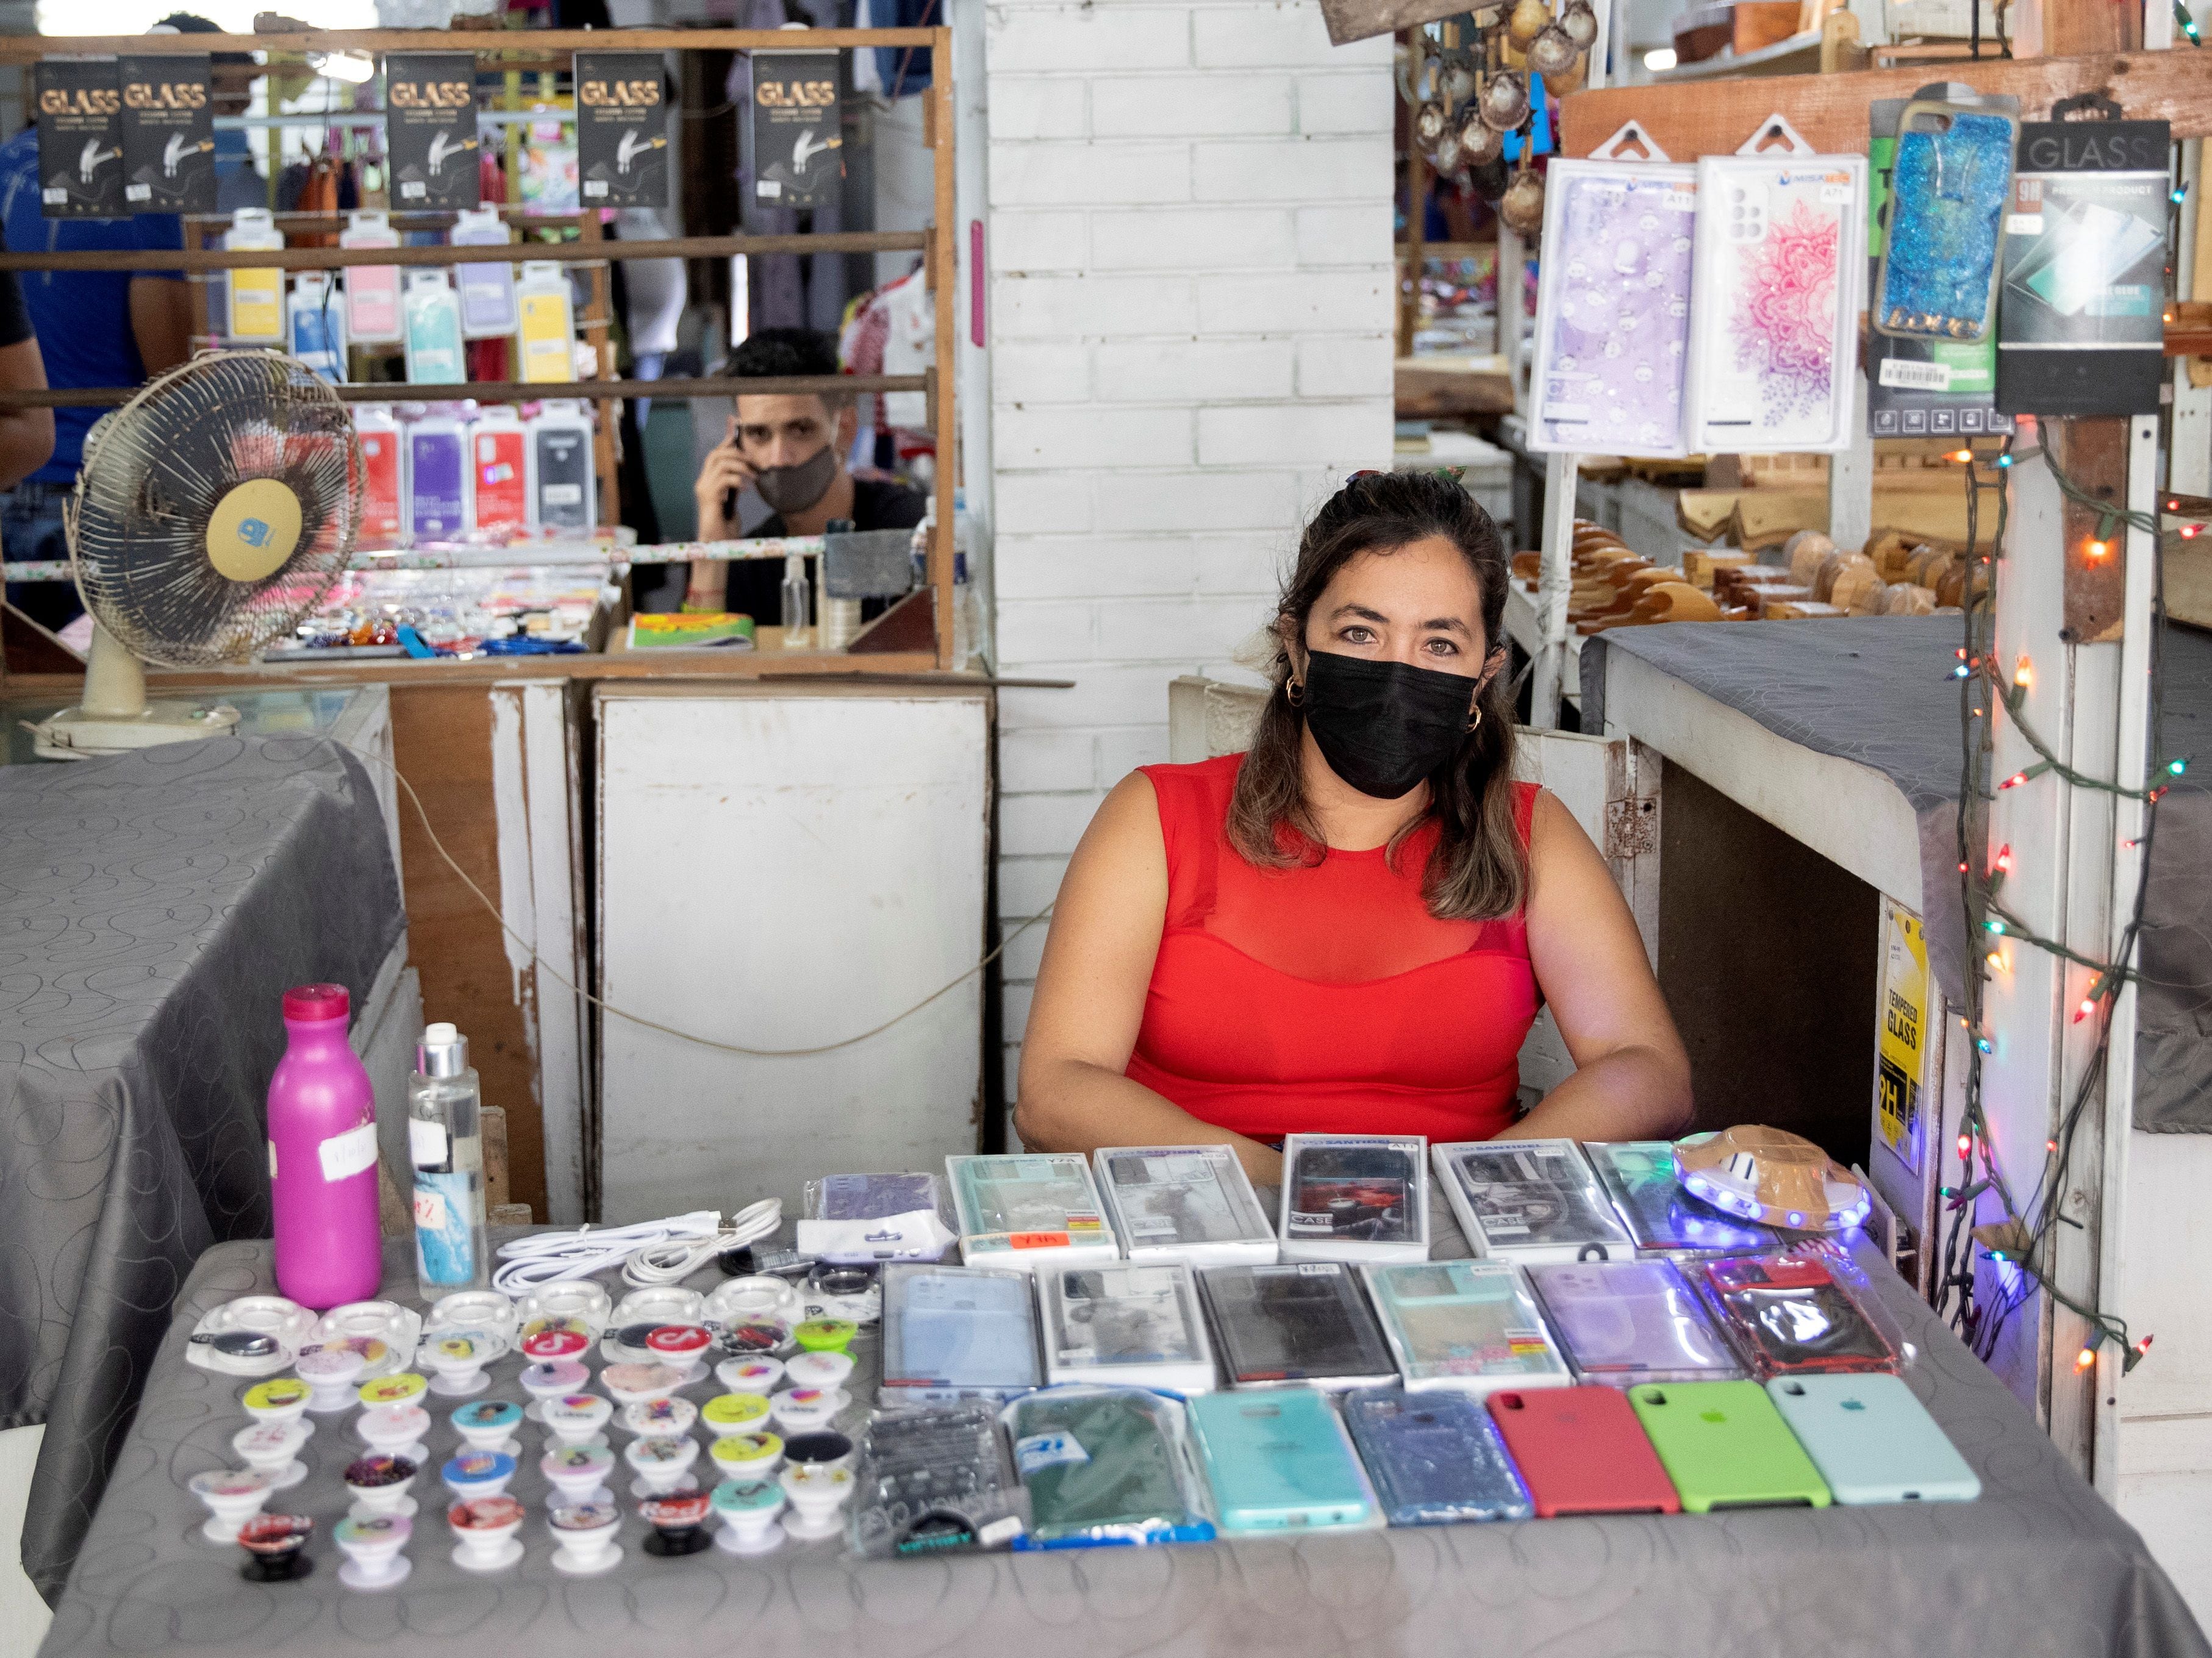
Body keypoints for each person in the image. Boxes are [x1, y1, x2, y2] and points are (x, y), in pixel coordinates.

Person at [1015, 470, 1693, 1185]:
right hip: (1203, 1221)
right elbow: (1055, 1092)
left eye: (1439, 645)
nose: (1397, 671)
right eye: (1361, 632)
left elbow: (1648, 1071)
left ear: (1484, 674)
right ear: (1299, 648)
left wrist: (1464, 1190)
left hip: (1453, 1241)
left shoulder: (1530, 834)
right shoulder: (1155, 816)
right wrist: (1299, 1188)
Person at [0, 17, 198, 629]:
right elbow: (167, 371)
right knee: (101, 697)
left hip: (7, 477)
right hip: (100, 491)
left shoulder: (4, 163)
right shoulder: (148, 192)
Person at [684, 326, 925, 623]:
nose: (779, 458)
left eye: (800, 430)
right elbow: (705, 660)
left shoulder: (910, 528)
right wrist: (712, 540)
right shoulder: (747, 561)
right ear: (735, 440)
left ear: (844, 429)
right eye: (758, 434)